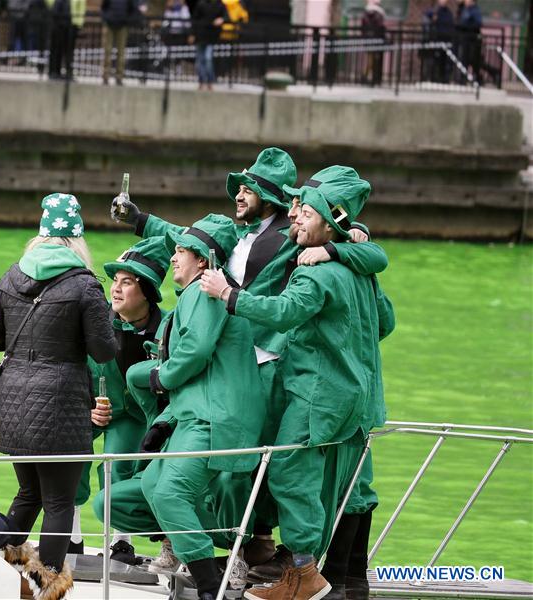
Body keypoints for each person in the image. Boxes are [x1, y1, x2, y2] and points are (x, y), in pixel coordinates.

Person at [110, 149, 389, 578]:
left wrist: (344, 242)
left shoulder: (291, 241)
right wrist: (142, 220)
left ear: (276, 198)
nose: (240, 193)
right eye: (240, 186)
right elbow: (191, 238)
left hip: (273, 365)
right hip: (276, 371)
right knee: (269, 463)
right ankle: (309, 566)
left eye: (250, 188)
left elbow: (367, 255)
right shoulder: (241, 236)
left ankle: (280, 559)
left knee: (276, 465)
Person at [201, 167, 384, 600]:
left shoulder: (314, 271)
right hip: (359, 396)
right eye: (295, 208)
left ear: (329, 221)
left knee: (287, 470)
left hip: (317, 392)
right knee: (342, 484)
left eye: (306, 211)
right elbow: (386, 320)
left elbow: (284, 312)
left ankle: (303, 573)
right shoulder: (360, 270)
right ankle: (341, 579)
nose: (295, 216)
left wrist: (228, 295)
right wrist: (348, 244)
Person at [0, 193, 116, 600]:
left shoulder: (10, 276)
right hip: (62, 403)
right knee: (58, 501)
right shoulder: (85, 285)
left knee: (29, 494)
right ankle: (45, 589)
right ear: (77, 239)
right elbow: (104, 351)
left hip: (15, 402)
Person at [138, 214, 264, 600]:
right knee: (150, 482)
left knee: (169, 494)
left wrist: (162, 377)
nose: (173, 259)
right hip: (196, 414)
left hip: (213, 419)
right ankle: (223, 554)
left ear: (203, 260)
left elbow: (195, 350)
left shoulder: (203, 291)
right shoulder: (199, 293)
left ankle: (211, 587)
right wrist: (166, 419)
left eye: (181, 251)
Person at [69, 236, 170, 563]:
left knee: (116, 465)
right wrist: (88, 409)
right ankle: (71, 537)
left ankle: (121, 543)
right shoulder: (96, 322)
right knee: (70, 451)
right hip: (95, 408)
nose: (115, 289)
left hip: (140, 417)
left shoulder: (169, 327)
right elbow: (76, 370)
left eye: (126, 282)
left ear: (148, 292)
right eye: (115, 281)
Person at [190, 0, 229, 91]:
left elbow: (227, 16)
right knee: (200, 60)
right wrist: (192, 34)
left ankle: (210, 82)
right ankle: (202, 81)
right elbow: (195, 20)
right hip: (200, 36)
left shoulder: (220, 4)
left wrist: (222, 19)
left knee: (208, 59)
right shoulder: (201, 4)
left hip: (211, 37)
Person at [101, 0, 140, 85]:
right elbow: (103, 7)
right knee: (107, 51)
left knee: (121, 52)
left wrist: (127, 20)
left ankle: (119, 77)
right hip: (109, 24)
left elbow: (133, 9)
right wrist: (106, 18)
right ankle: (105, 76)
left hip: (123, 25)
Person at [423, 0, 455, 83]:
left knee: (444, 60)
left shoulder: (448, 12)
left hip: (446, 39)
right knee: (435, 60)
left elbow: (450, 24)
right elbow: (427, 17)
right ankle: (433, 77)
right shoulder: (435, 10)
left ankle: (443, 78)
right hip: (436, 39)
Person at [360, 0, 386, 87]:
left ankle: (367, 77)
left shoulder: (365, 15)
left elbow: (363, 28)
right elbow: (381, 27)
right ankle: (369, 77)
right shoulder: (379, 15)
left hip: (368, 39)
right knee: (374, 59)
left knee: (370, 59)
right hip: (376, 39)